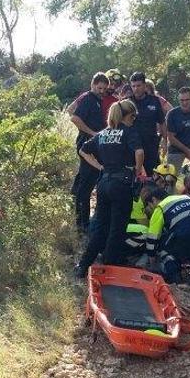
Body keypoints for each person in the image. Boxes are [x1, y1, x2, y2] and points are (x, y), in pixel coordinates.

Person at [73, 99, 145, 279]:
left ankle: (84, 264)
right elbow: (140, 152)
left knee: (100, 226)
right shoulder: (128, 131)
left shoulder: (104, 133)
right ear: (127, 116)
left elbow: (83, 150)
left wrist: (100, 167)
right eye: (133, 116)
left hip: (104, 183)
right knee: (117, 227)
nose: (134, 120)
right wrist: (137, 170)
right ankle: (111, 265)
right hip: (122, 183)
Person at [142, 187, 190, 286]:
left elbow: (152, 238)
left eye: (150, 206)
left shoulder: (160, 207)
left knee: (163, 248)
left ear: (154, 200)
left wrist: (152, 261)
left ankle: (174, 276)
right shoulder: (186, 198)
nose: (151, 210)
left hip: (185, 237)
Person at [68, 72, 109, 235]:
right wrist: (92, 133)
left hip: (94, 146)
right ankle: (82, 224)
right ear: (92, 85)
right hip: (86, 145)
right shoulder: (88, 99)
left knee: (88, 182)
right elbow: (75, 119)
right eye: (99, 88)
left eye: (104, 89)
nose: (101, 91)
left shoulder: (98, 101)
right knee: (85, 187)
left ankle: (85, 220)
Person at [128, 72, 166, 175]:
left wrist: (165, 141)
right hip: (132, 147)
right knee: (133, 177)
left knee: (152, 176)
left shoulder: (154, 101)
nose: (136, 88)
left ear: (145, 86)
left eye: (139, 85)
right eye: (133, 86)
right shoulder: (126, 103)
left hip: (151, 145)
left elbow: (162, 122)